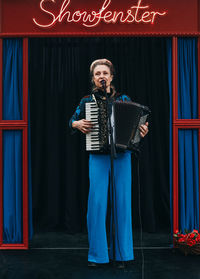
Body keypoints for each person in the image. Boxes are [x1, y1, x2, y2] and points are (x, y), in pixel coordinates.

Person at [69, 59, 148, 268]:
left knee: (122, 203)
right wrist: (77, 123)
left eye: (105, 72)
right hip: (97, 156)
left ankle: (122, 254)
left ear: (111, 76)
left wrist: (141, 131)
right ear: (93, 79)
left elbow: (136, 126)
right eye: (97, 74)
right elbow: (72, 120)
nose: (101, 76)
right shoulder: (87, 101)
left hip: (122, 156)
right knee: (97, 204)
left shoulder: (123, 99)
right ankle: (98, 255)